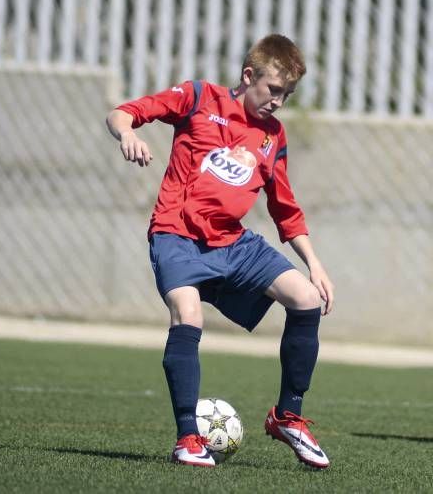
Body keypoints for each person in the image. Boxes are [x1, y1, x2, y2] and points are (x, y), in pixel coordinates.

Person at [105, 34, 334, 469]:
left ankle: (288, 417)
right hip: (177, 235)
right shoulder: (197, 98)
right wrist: (126, 134)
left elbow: (284, 207)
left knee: (306, 299)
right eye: (273, 90)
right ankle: (188, 438)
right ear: (249, 77)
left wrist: (315, 264)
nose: (279, 102)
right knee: (188, 314)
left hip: (233, 241)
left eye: (287, 94)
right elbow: (123, 113)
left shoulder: (273, 136)